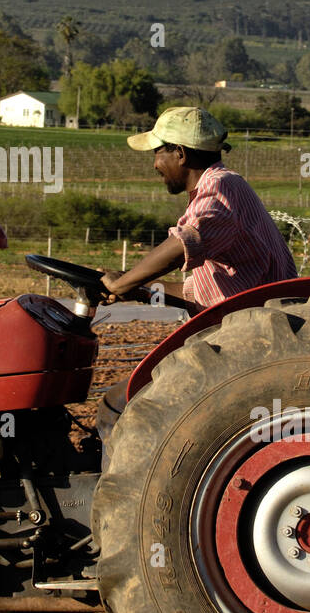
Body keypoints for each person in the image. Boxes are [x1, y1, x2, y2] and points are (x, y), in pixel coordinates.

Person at [96, 106, 297, 452]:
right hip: (241, 332)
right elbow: (202, 291)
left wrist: (124, 281)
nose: (154, 164)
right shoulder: (219, 191)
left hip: (247, 343)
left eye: (158, 152)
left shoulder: (221, 188)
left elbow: (185, 242)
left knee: (121, 405)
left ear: (180, 153)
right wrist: (139, 291)